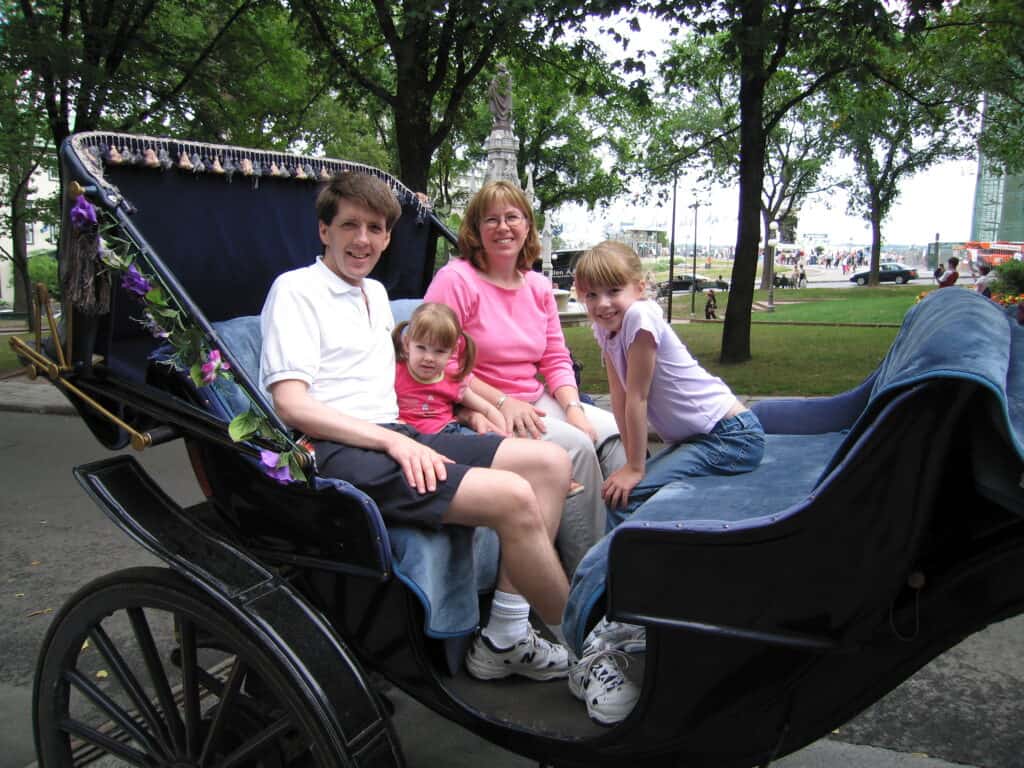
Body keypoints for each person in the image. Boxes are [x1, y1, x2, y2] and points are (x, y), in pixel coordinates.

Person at [260, 171, 573, 682]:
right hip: (335, 450)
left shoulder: (376, 295)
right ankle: (585, 644)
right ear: (324, 230)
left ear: (387, 238)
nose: (363, 240)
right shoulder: (295, 290)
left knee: (549, 463)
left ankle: (505, 637)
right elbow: (292, 405)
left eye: (376, 229)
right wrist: (392, 442)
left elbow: (416, 377)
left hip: (397, 432)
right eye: (350, 226)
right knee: (515, 497)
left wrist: (469, 407)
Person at [424, 181, 626, 576]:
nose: (503, 227)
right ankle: (592, 582)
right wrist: (502, 402)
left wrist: (574, 408)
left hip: (535, 398)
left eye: (513, 217)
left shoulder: (536, 285)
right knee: (575, 449)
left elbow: (554, 356)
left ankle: (624, 552)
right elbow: (440, 362)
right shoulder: (457, 280)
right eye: (492, 219)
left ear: (528, 226)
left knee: (613, 435)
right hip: (480, 403)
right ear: (475, 230)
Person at [393, 301, 585, 496]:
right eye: (422, 348)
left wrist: (505, 436)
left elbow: (486, 409)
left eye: (439, 351)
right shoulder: (394, 373)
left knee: (497, 445)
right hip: (410, 438)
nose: (429, 358)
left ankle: (552, 477)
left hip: (450, 434)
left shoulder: (451, 380)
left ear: (452, 352)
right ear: (407, 344)